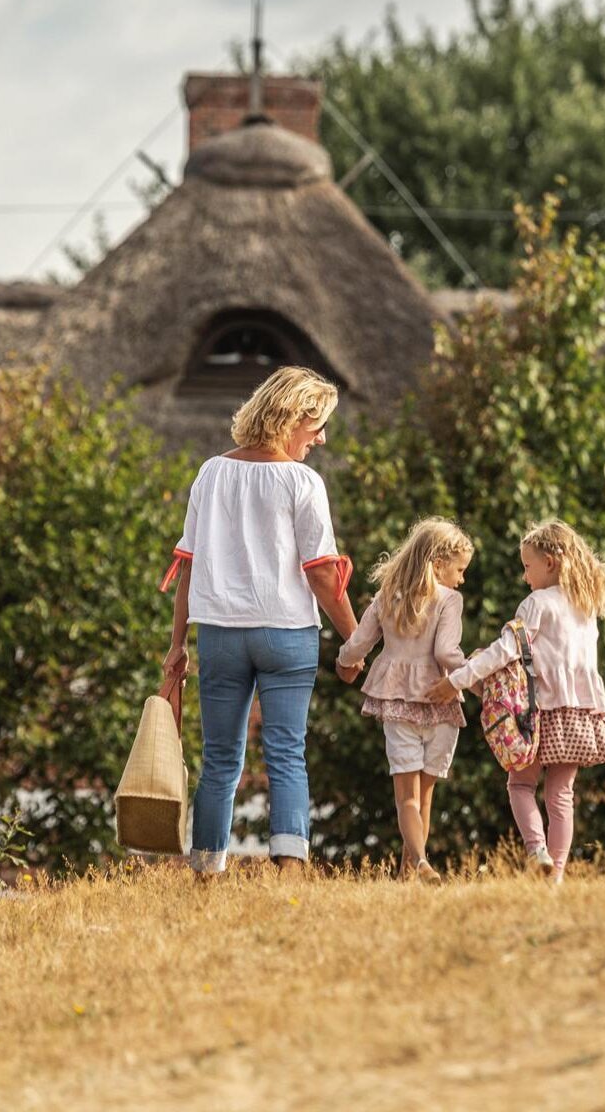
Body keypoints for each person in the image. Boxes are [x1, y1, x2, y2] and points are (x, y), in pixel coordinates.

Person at [160, 366, 357, 875]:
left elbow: (189, 566)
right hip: (287, 632)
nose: (321, 437)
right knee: (287, 754)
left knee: (221, 759)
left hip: (221, 635)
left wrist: (177, 645)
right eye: (316, 425)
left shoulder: (211, 473)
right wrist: (355, 642)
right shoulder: (302, 482)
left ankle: (205, 870)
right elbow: (321, 576)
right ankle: (289, 868)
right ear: (292, 418)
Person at [431, 520, 605, 884]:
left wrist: (458, 678)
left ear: (549, 563)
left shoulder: (536, 603)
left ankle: (537, 851)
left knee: (519, 786)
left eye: (527, 566)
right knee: (562, 795)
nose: (524, 576)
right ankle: (557, 877)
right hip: (581, 714)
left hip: (538, 712)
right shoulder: (587, 606)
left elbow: (505, 651)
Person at [335, 517, 474, 885]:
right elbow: (447, 653)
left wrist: (344, 663)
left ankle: (415, 866)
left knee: (407, 799)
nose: (461, 579)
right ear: (439, 562)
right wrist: (473, 675)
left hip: (397, 701)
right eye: (459, 570)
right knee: (425, 797)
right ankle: (414, 868)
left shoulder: (386, 596)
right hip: (439, 704)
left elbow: (359, 644)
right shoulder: (449, 600)